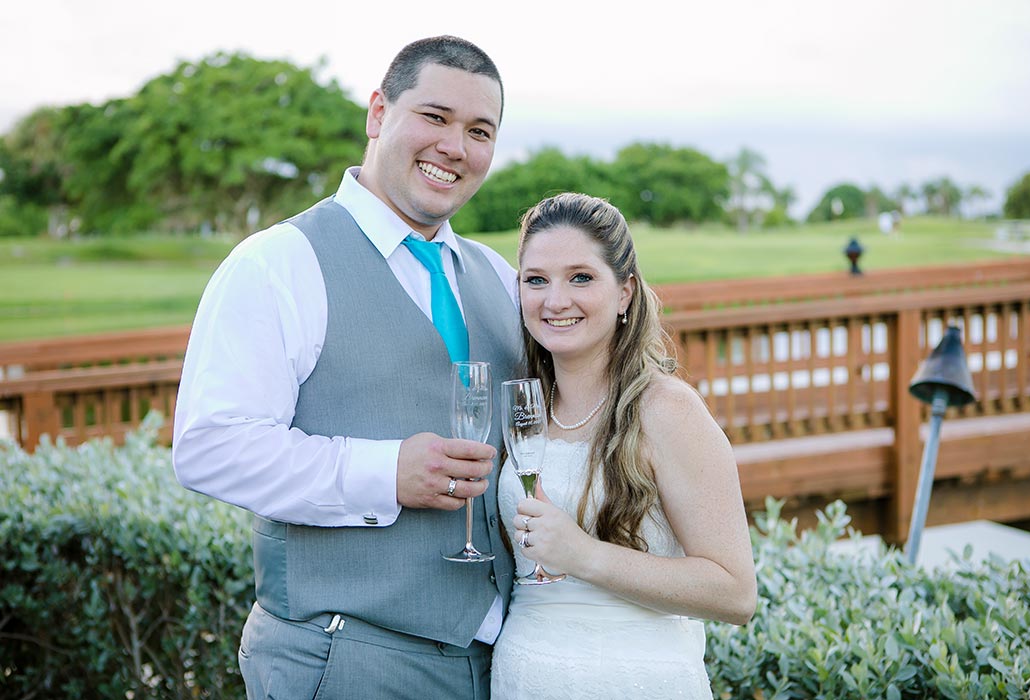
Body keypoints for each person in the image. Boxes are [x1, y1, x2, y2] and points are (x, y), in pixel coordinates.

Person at [172, 36, 521, 699]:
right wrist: (383, 473)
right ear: (378, 113)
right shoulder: (277, 262)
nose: (456, 146)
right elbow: (208, 448)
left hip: (495, 666)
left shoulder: (498, 277)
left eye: (480, 131)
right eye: (436, 117)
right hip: (342, 660)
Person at [490, 192, 757, 699]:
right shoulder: (528, 407)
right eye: (536, 280)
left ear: (626, 293)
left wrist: (583, 554)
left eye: (581, 277)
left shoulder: (667, 409)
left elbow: (736, 593)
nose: (555, 300)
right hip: (523, 677)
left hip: (635, 680)